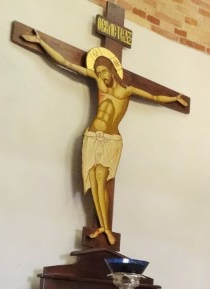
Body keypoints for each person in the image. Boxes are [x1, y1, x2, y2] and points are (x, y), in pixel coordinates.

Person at [22, 31, 188, 246]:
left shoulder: (127, 90)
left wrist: (175, 98)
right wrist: (41, 42)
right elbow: (65, 63)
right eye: (98, 72)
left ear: (111, 70)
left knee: (102, 179)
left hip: (111, 139)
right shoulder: (99, 83)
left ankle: (106, 228)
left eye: (103, 71)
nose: (101, 75)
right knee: (94, 182)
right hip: (92, 135)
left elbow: (155, 96)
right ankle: (103, 228)